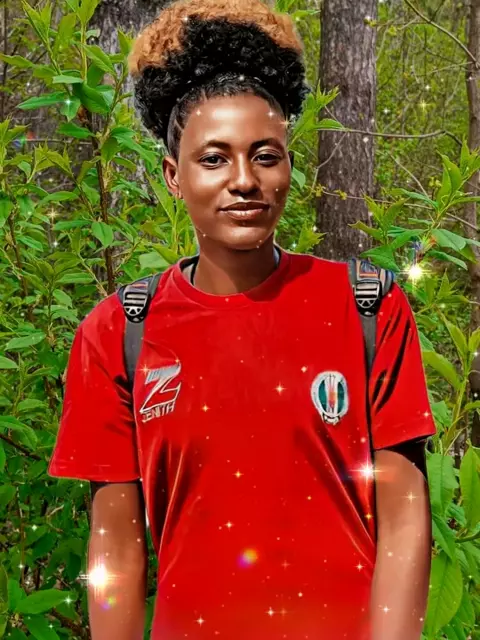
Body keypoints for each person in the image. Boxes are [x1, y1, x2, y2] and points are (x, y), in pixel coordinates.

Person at [49, 0, 437, 638]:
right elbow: (115, 548)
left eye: (265, 155)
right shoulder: (118, 333)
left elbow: (405, 517)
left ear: (289, 166)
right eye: (213, 158)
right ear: (173, 176)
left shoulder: (368, 307)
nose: (243, 181)